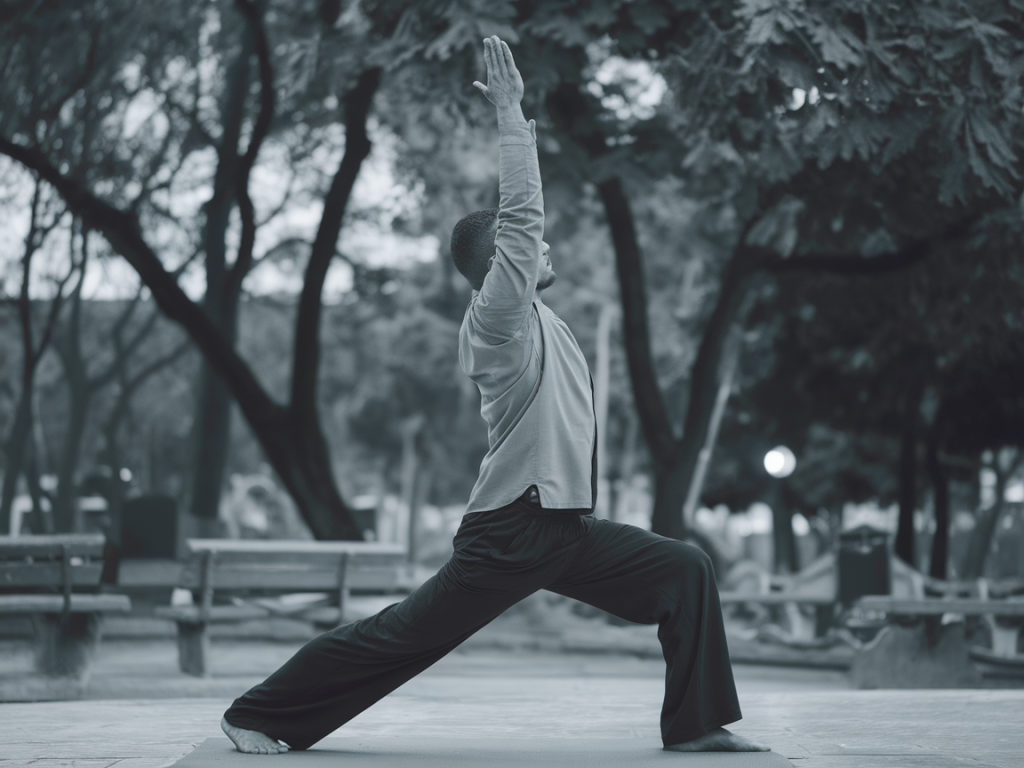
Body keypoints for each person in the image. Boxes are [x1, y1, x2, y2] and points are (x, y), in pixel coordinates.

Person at [219, 36, 768, 756]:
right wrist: (512, 118)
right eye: (527, 249)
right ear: (499, 263)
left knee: (685, 569)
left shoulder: (544, 322)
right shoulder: (498, 319)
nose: (546, 248)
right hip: (513, 529)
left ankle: (697, 726)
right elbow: (524, 219)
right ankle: (256, 713)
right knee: (403, 636)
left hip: (565, 528)